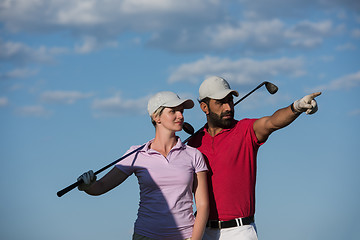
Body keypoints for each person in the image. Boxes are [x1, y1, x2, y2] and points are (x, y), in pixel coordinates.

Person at [187, 76, 321, 240]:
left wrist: (297, 107)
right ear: (204, 107)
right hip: (203, 232)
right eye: (220, 102)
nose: (228, 107)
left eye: (230, 101)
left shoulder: (245, 130)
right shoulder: (193, 143)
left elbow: (272, 122)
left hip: (240, 232)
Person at [77, 91, 210, 240]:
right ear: (156, 116)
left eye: (181, 111)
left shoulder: (193, 154)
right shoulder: (136, 154)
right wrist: (87, 185)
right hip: (146, 235)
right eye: (173, 111)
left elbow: (203, 205)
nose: (180, 115)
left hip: (186, 236)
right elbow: (100, 187)